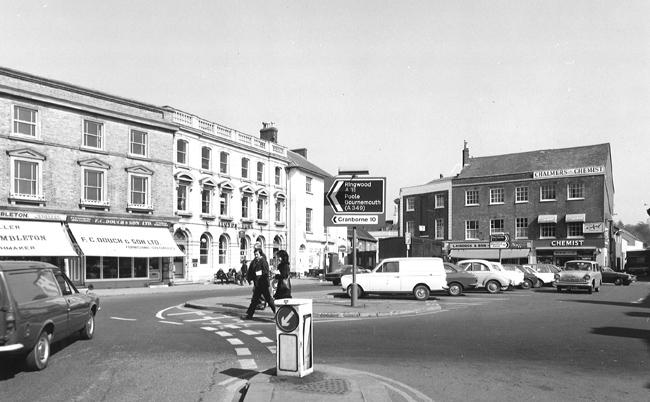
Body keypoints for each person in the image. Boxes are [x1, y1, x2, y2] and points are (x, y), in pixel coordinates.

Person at [243, 249, 276, 319]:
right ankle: (249, 315)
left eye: (257, 254)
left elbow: (265, 272)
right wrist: (249, 279)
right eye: (255, 254)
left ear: (260, 254)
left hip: (263, 283)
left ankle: (277, 312)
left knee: (269, 300)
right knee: (254, 300)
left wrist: (256, 274)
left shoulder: (263, 261)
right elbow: (251, 271)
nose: (255, 256)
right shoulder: (254, 261)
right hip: (258, 284)